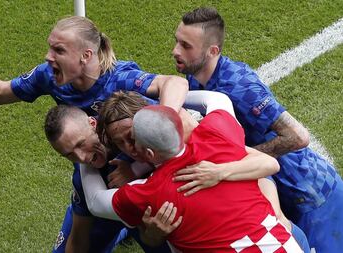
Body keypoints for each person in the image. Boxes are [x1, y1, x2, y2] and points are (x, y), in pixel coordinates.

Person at [0, 15, 188, 253]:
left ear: (86, 56)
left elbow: (175, 83)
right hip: (95, 174)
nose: (48, 56)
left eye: (58, 50)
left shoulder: (119, 79)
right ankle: (118, 227)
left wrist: (154, 133)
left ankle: (126, 226)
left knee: (166, 236)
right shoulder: (49, 76)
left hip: (146, 175)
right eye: (50, 48)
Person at [171, 7, 343, 252]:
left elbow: (298, 137)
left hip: (311, 195)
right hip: (281, 188)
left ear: (213, 51)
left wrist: (241, 159)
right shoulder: (195, 76)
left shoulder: (241, 88)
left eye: (186, 46)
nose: (175, 51)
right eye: (177, 41)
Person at [80, 97, 303, 251]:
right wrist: (162, 96)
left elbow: (94, 201)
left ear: (149, 151)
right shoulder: (217, 135)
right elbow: (216, 99)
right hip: (287, 243)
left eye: (132, 138)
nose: (129, 148)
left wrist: (85, 158)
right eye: (120, 143)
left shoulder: (149, 192)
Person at [44, 104, 172, 253]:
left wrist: (135, 169)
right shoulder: (85, 176)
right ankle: (123, 227)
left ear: (93, 124)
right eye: (69, 154)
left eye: (81, 144)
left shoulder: (126, 117)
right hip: (110, 206)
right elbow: (79, 236)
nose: (82, 158)